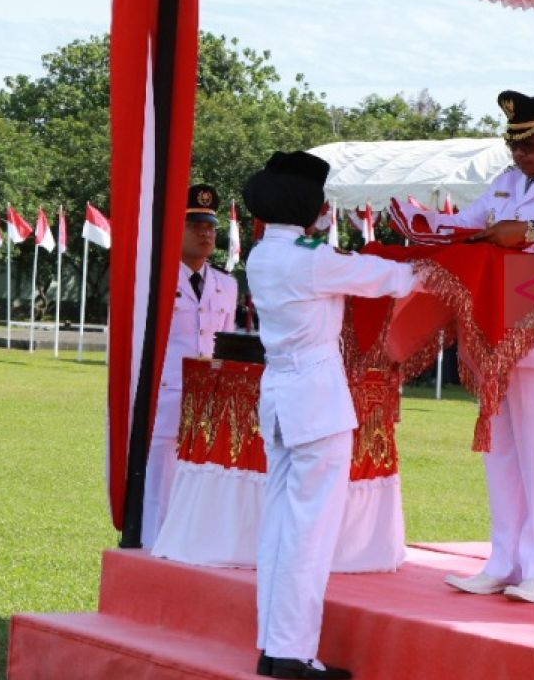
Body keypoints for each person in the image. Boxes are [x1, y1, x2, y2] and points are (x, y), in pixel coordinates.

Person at [243, 151, 423, 680]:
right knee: (309, 532)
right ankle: (294, 653)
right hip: (316, 401)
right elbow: (393, 278)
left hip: (280, 396)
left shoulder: (261, 255)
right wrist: (435, 266)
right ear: (311, 206)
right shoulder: (310, 259)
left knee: (279, 526)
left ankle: (273, 645)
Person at [408, 90, 534, 604]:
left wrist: (529, 231)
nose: (518, 152)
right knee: (503, 451)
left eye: (530, 143)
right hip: (501, 330)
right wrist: (426, 224)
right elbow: (470, 223)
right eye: (513, 143)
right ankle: (505, 559)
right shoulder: (508, 182)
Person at [140, 183, 238, 548]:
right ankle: (152, 547)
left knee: (201, 481)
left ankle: (190, 548)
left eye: (210, 227)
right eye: (195, 225)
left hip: (208, 402)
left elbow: (226, 345)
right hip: (166, 396)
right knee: (159, 482)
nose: (205, 233)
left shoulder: (226, 286)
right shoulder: (159, 280)